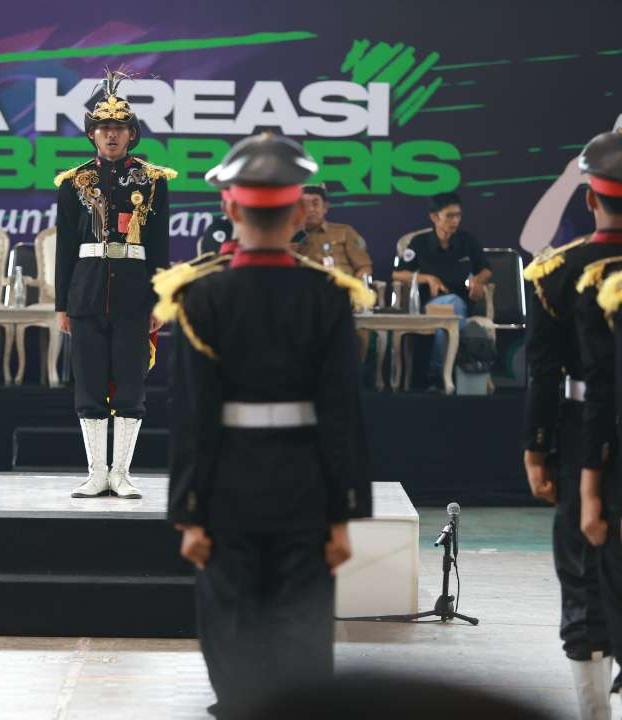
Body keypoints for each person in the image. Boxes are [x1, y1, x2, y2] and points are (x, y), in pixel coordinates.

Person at [162, 133, 373, 720]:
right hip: (305, 488)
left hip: (227, 489)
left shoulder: (200, 295)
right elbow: (342, 413)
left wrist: (188, 511)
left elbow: (192, 416)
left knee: (231, 638)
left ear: (228, 208)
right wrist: (344, 512)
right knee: (303, 644)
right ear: (301, 206)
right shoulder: (328, 294)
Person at [521, 131, 622, 719]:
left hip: (582, 432)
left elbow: (542, 372)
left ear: (590, 198)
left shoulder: (553, 271)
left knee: (584, 579)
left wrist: (537, 450)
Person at [54, 69, 175, 500]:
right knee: (87, 383)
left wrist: (160, 298)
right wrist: (61, 305)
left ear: (131, 134)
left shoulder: (154, 181)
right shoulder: (72, 183)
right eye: (103, 128)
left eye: (119, 128)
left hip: (134, 292)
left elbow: (160, 246)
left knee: (130, 382)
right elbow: (66, 247)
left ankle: (121, 473)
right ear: (91, 134)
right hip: (85, 292)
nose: (111, 135)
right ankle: (95, 473)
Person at [571, 130, 622, 720]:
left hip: (598, 451)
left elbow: (597, 388)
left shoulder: (580, 274)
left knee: (591, 591)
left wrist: (586, 486)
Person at [392, 192, 492, 388]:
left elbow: (486, 269)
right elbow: (398, 274)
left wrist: (478, 281)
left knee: (452, 308)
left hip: (463, 302)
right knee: (448, 309)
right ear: (434, 217)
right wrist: (427, 278)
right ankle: (449, 372)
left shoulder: (466, 241)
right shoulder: (419, 243)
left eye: (458, 216)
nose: (455, 221)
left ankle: (436, 373)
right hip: (430, 303)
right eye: (450, 216)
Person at [296, 183, 373, 278]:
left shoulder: (344, 232)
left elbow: (365, 267)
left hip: (342, 287)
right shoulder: (291, 236)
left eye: (315, 204)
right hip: (306, 289)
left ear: (325, 207)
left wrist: (353, 288)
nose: (311, 209)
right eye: (305, 205)